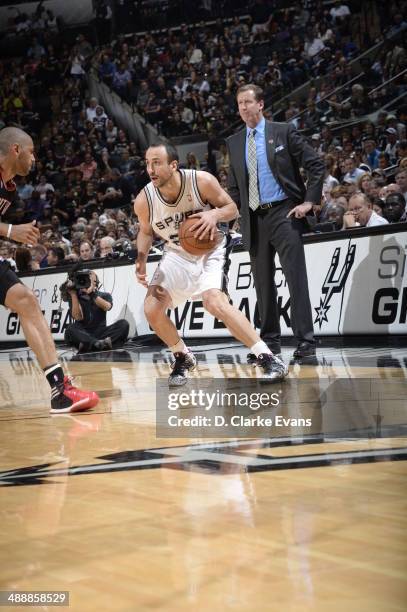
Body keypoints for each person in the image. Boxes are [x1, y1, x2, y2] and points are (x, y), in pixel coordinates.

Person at [134, 142, 288, 386]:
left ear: (173, 165)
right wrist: (141, 260)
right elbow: (144, 232)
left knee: (214, 302)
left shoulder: (201, 181)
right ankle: (182, 356)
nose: (150, 169)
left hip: (211, 247)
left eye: (156, 163)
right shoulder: (144, 200)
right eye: (147, 163)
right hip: (175, 253)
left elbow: (232, 208)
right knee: (151, 308)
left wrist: (213, 215)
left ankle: (268, 357)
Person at [0, 127, 98, 414]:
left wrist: (16, 236)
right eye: (31, 152)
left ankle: (60, 389)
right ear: (16, 150)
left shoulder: (10, 190)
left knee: (27, 301)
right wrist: (9, 230)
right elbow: (8, 230)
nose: (34, 159)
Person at [226, 84, 325, 360]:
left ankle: (305, 340)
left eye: (248, 102)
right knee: (262, 284)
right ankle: (268, 341)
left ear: (260, 104)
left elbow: (315, 164)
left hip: (284, 213)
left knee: (295, 277)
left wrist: (309, 201)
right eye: (239, 103)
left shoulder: (283, 131)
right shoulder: (234, 142)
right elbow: (235, 189)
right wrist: (228, 218)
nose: (243, 107)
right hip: (253, 219)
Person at [64, 270, 129, 353]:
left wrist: (91, 294)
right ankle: (97, 344)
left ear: (96, 282)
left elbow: (107, 307)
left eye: (89, 279)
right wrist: (73, 294)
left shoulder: (104, 295)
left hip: (101, 333)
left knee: (123, 324)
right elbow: (78, 317)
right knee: (70, 328)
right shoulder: (75, 296)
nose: (86, 281)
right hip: (83, 333)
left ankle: (91, 345)